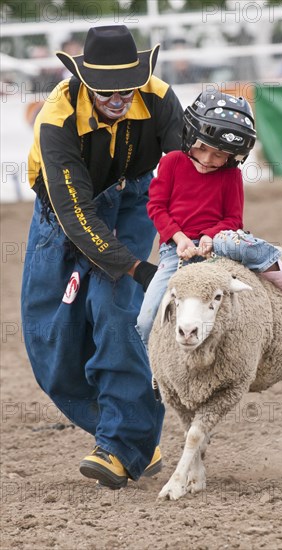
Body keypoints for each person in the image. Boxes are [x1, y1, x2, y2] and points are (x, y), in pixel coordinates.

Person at [21, 25, 184, 489]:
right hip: (62, 215)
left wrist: (194, 234)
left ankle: (119, 443)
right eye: (106, 90)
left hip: (133, 200)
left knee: (114, 311)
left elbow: (183, 171)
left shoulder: (159, 98)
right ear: (85, 83)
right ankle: (136, 435)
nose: (118, 98)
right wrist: (136, 267)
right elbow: (76, 213)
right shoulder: (55, 119)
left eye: (126, 88)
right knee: (47, 339)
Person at [136, 91, 282, 347]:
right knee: (145, 321)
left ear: (234, 155)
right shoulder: (172, 162)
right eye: (203, 148)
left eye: (219, 154)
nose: (208, 160)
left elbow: (232, 219)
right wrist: (179, 237)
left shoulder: (231, 176)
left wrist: (209, 236)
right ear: (189, 137)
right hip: (176, 248)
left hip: (219, 241)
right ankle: (158, 376)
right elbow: (157, 207)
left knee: (239, 241)